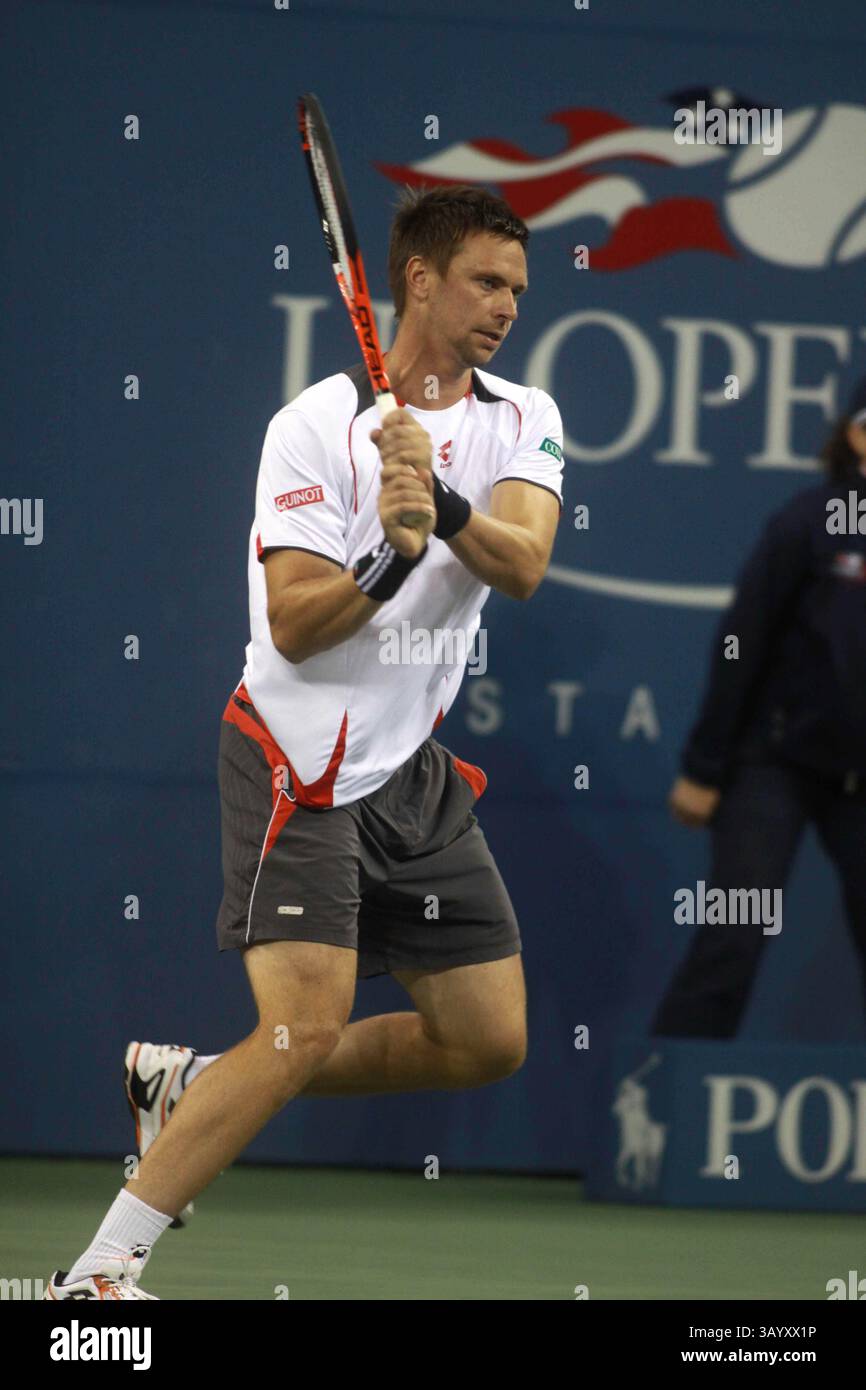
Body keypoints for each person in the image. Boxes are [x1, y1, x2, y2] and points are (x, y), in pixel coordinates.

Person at [44, 185, 564, 1300]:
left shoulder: (523, 417)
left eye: (517, 288)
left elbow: (521, 565)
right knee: (299, 1030)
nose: (505, 306)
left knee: (487, 1039)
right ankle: (96, 1275)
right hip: (298, 761)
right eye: (484, 280)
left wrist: (448, 508)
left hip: (409, 775)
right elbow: (291, 620)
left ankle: (188, 1084)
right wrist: (384, 554)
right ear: (417, 279)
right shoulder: (313, 425)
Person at [653, 377, 866, 1039]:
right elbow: (741, 642)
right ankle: (667, 1116)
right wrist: (704, 768)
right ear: (856, 435)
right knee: (734, 935)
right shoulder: (808, 521)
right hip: (775, 765)